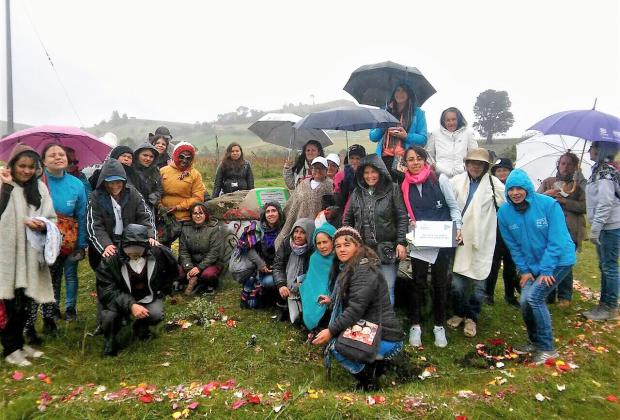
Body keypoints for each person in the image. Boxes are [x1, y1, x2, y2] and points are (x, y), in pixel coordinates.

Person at [498, 169, 576, 364]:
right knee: (524, 300)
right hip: (532, 264)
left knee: (535, 297)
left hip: (559, 260)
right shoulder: (504, 213)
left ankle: (547, 348)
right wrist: (524, 270)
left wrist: (547, 269)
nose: (515, 193)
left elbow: (557, 240)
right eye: (511, 189)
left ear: (528, 189)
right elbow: (513, 246)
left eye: (520, 188)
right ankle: (534, 341)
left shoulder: (548, 205)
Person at [312, 227, 403, 391]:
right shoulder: (355, 266)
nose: (341, 249)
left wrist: (330, 331)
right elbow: (358, 299)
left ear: (358, 246)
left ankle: (368, 380)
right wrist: (333, 300)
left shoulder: (363, 270)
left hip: (386, 335)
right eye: (338, 246)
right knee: (341, 337)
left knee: (335, 346)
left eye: (346, 245)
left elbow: (355, 310)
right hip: (375, 327)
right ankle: (376, 365)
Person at [24, 144, 88, 344]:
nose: (58, 157)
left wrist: (81, 243)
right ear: (43, 161)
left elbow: (81, 214)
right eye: (52, 155)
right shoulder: (34, 182)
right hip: (35, 240)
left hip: (63, 240)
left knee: (53, 281)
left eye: (61, 154)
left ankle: (49, 319)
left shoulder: (76, 184)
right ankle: (30, 326)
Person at [400, 146, 463, 348]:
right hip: (421, 241)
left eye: (419, 158)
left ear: (425, 160)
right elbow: (408, 213)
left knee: (440, 283)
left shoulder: (439, 179)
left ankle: (439, 326)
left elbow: (453, 206)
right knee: (417, 283)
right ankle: (416, 325)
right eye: (411, 159)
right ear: (405, 163)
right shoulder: (405, 186)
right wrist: (411, 224)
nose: (415, 162)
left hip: (442, 240)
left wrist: (458, 228)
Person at [0, 144, 56, 366]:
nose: (26, 171)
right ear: (12, 165)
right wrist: (5, 187)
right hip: (8, 254)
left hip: (31, 253)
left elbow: (51, 217)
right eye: (22, 166)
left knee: (27, 300)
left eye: (31, 167)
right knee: (10, 301)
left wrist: (41, 225)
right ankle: (10, 348)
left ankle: (20, 344)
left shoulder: (40, 190)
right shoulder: (5, 185)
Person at [448, 148, 505, 337]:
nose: (475, 166)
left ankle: (472, 317)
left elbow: (506, 206)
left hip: (482, 239)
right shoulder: (456, 181)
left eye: (480, 163)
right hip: (459, 238)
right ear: (466, 164)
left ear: (486, 166)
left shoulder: (494, 184)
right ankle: (459, 312)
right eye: (472, 162)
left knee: (479, 282)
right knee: (457, 283)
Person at [97, 224, 177, 357]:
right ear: (122, 244)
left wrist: (162, 291)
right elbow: (107, 291)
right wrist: (131, 305)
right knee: (108, 316)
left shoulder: (156, 254)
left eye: (138, 248)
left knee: (156, 313)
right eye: (129, 248)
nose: (133, 252)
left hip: (146, 296)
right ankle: (109, 341)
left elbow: (172, 267)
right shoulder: (110, 260)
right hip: (119, 299)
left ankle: (141, 327)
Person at [343, 154, 408, 305]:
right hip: (363, 250)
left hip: (387, 249)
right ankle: (368, 323)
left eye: (373, 171)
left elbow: (402, 217)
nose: (370, 176)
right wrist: (349, 243)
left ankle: (385, 324)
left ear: (381, 171)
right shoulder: (357, 193)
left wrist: (401, 242)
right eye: (366, 172)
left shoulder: (393, 189)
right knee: (365, 287)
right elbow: (347, 220)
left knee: (387, 287)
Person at [86, 159, 158, 272]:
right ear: (104, 182)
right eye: (111, 182)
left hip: (130, 240)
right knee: (109, 272)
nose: (115, 186)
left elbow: (145, 216)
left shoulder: (133, 193)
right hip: (108, 240)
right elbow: (94, 225)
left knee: (132, 272)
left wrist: (150, 235)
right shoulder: (95, 197)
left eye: (118, 182)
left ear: (124, 181)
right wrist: (106, 245)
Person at [537, 152, 586, 308]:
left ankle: (565, 296)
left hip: (570, 228)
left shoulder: (578, 186)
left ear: (575, 166)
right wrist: (547, 195)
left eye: (569, 164)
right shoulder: (548, 182)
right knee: (549, 260)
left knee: (565, 261)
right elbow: (535, 200)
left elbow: (585, 206)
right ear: (558, 164)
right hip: (549, 228)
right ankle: (548, 293)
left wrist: (565, 201)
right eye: (563, 163)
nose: (565, 167)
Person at [583, 141, 620, 321]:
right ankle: (604, 304)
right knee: (604, 265)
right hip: (606, 225)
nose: (589, 150)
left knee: (609, 266)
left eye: (592, 147)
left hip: (610, 225)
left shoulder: (605, 173)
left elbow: (605, 203)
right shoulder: (598, 171)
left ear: (600, 149)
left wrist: (595, 229)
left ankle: (610, 308)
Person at [369, 83, 428, 178]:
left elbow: (423, 139)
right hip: (383, 159)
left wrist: (406, 136)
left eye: (404, 90)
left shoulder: (417, 113)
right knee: (385, 191)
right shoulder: (383, 111)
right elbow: (372, 137)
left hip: (405, 160)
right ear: (393, 92)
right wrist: (383, 126)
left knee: (403, 190)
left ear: (409, 93)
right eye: (397, 90)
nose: (400, 93)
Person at [275, 156, 333, 249]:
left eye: (321, 168)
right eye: (315, 168)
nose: (318, 170)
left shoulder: (330, 185)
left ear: (326, 170)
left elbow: (333, 206)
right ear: (311, 169)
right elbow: (293, 203)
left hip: (319, 226)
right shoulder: (303, 184)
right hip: (299, 223)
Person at [485, 157, 520, 306]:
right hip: (496, 231)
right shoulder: (490, 186)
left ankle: (510, 295)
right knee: (493, 264)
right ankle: (488, 295)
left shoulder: (516, 188)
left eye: (504, 170)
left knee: (511, 265)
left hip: (513, 232)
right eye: (498, 171)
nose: (501, 173)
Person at [159, 141, 206, 244]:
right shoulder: (163, 171)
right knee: (163, 246)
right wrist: (160, 207)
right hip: (165, 217)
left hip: (186, 217)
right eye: (181, 156)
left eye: (188, 158)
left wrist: (178, 207)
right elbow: (155, 192)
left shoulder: (195, 174)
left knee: (186, 247)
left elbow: (198, 197)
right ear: (175, 155)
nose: (184, 160)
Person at [273, 218, 315, 323]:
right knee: (272, 282)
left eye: (302, 232)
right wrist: (281, 284)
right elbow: (278, 265)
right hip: (286, 279)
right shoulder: (286, 243)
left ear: (309, 234)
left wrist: (301, 282)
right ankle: (282, 306)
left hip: (303, 282)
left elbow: (313, 272)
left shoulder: (313, 249)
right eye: (296, 231)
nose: (298, 235)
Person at [178, 202, 223, 295]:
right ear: (191, 215)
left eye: (200, 213)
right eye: (195, 213)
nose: (198, 216)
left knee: (208, 275)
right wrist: (189, 268)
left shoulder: (214, 229)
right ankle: (192, 280)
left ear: (205, 215)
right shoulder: (185, 228)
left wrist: (199, 268)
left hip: (209, 263)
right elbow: (183, 251)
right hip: (192, 262)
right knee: (177, 271)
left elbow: (214, 253)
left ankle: (208, 285)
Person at [300, 222, 336, 332]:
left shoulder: (338, 259)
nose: (322, 246)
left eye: (325, 242)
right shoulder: (314, 257)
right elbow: (312, 280)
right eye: (318, 243)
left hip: (332, 297)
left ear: (333, 241)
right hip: (314, 293)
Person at [426, 107, 478, 178]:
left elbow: (475, 154)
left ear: (458, 120)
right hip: (441, 176)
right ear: (443, 121)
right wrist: (436, 166)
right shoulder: (435, 134)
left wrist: (465, 167)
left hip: (463, 176)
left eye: (453, 119)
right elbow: (429, 155)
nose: (451, 123)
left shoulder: (468, 133)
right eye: (448, 120)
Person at [133, 141, 164, 211]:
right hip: (133, 208)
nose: (148, 159)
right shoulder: (131, 170)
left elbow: (160, 189)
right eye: (145, 155)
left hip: (149, 207)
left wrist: (154, 196)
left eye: (151, 156)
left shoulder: (155, 171)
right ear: (137, 155)